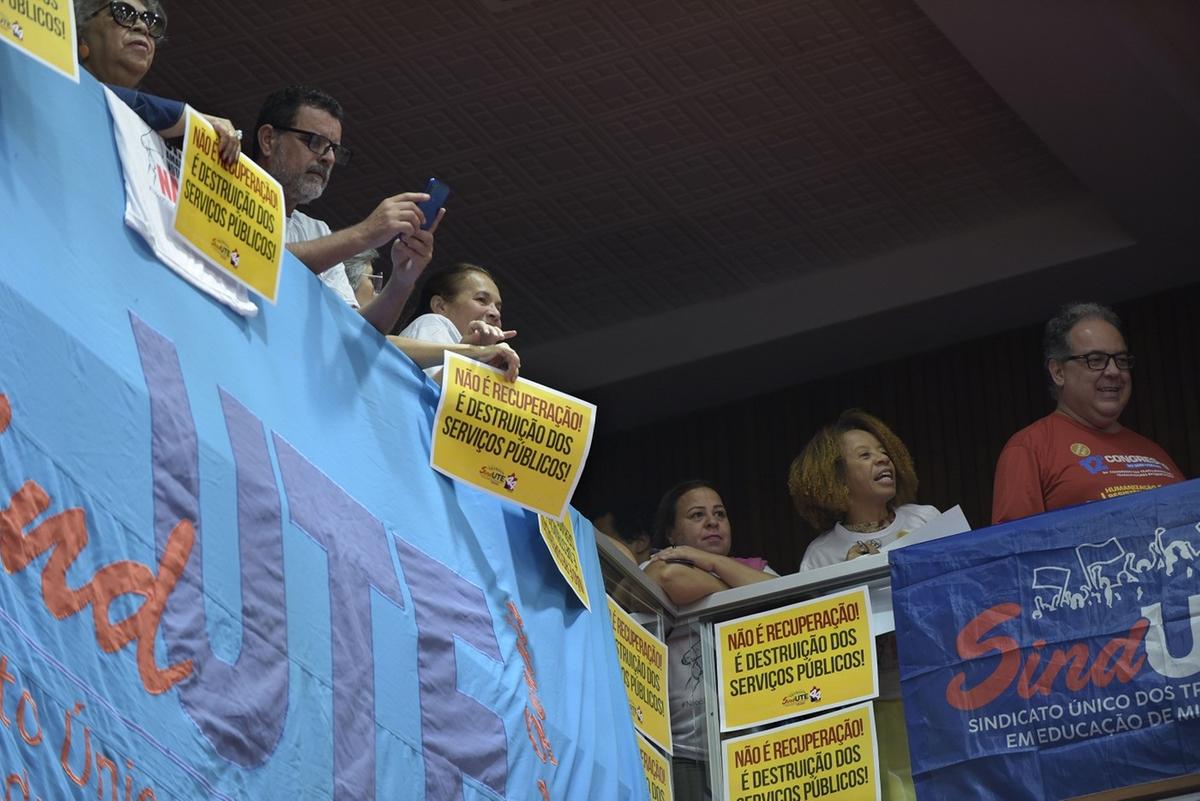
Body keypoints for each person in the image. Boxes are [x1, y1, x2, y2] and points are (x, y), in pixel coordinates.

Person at [250, 87, 519, 378]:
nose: (327, 158)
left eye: (333, 149)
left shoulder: (316, 230)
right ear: (268, 140)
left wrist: (403, 278)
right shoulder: (230, 184)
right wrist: (367, 232)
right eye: (315, 142)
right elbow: (261, 256)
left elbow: (359, 333)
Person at [991, 302, 1184, 523]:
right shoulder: (1030, 447)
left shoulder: (1154, 452)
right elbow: (1015, 549)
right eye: (1096, 360)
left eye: (1121, 361)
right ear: (1058, 372)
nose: (1113, 371)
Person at [642, 481, 775, 800]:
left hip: (755, 747)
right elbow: (672, 579)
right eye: (697, 515)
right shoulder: (660, 564)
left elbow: (787, 596)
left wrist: (713, 564)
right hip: (685, 751)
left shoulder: (757, 568)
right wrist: (743, 594)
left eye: (720, 514)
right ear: (672, 535)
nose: (713, 522)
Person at [76, 0, 240, 165]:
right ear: (81, 32)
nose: (143, 27)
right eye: (123, 13)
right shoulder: (61, 79)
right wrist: (192, 120)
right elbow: (100, 94)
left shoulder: (152, 146)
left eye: (149, 20)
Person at [790, 409, 940, 571]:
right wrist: (849, 575)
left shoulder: (925, 518)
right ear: (836, 477)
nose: (884, 458)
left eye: (883, 451)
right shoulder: (820, 555)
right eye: (865, 455)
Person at [398, 263, 516, 380]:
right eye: (481, 299)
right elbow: (430, 393)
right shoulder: (431, 321)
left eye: (498, 308)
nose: (496, 313)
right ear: (440, 306)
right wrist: (474, 352)